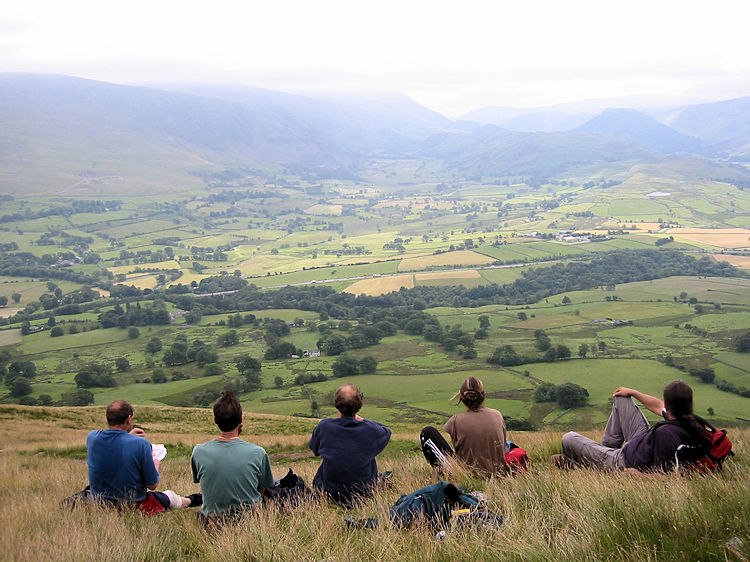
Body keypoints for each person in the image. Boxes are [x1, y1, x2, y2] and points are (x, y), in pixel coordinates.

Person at [552, 380, 703, 473]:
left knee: (569, 438)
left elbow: (666, 476)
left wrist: (639, 476)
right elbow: (657, 405)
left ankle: (589, 463)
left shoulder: (666, 434)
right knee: (622, 399)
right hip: (640, 444)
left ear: (669, 404)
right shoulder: (687, 419)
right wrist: (632, 392)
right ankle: (604, 450)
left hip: (624, 461)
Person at [85, 399, 201, 515]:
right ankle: (191, 500)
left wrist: (127, 437)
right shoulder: (141, 444)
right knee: (168, 497)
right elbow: (152, 485)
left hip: (99, 502)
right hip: (133, 505)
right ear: (129, 419)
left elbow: (113, 442)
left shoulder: (92, 438)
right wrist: (156, 462)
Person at [191, 391, 275, 522]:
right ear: (241, 419)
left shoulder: (198, 452)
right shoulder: (258, 452)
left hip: (211, 520)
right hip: (250, 520)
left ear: (215, 420)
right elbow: (262, 489)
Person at [308, 384, 391, 507]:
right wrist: (361, 420)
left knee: (324, 460)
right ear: (359, 405)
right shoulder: (371, 430)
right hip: (364, 491)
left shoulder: (324, 426)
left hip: (330, 491)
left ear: (336, 404)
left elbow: (315, 449)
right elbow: (386, 431)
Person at [421, 376, 510, 475]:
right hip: (500, 472)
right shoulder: (497, 414)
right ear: (483, 396)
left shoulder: (455, 421)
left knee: (427, 432)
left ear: (462, 397)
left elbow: (459, 449)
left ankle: (440, 473)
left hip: (468, 474)